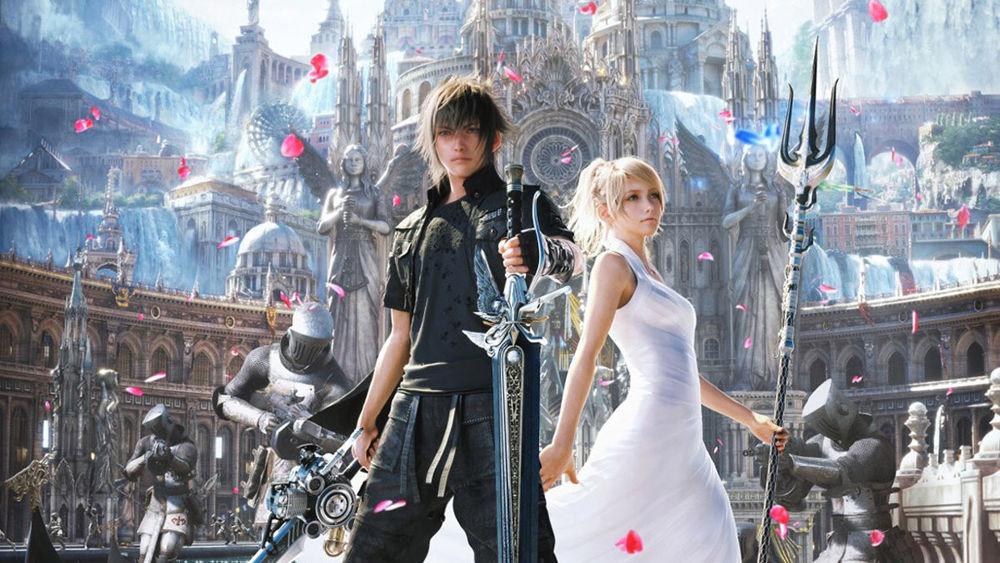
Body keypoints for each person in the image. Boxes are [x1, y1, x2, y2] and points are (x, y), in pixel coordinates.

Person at [343, 76, 582, 562]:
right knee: (370, 554)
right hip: (413, 412)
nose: (459, 143)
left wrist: (538, 251)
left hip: (493, 407)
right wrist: (367, 423)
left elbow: (575, 258)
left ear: (493, 138)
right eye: (447, 132)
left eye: (472, 130)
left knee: (521, 555)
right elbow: (399, 339)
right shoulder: (411, 229)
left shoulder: (522, 204)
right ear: (433, 140)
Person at [317, 144, 391, 383]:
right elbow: (322, 227)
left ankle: (367, 377)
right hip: (341, 256)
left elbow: (385, 226)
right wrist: (339, 212)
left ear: (365, 162)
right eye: (349, 159)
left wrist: (361, 221)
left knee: (367, 312)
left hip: (366, 255)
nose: (354, 163)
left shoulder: (374, 194)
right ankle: (338, 378)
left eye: (358, 159)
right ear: (343, 164)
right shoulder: (335, 194)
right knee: (338, 312)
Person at [721, 144, 790, 390]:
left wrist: (794, 217)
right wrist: (750, 208)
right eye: (752, 155)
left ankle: (772, 375)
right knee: (745, 311)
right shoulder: (736, 189)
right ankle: (745, 376)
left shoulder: (777, 190)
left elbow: (785, 227)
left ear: (767, 159)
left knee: (772, 312)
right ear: (745, 159)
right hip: (746, 251)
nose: (757, 159)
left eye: (761, 155)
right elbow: (726, 222)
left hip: (773, 252)